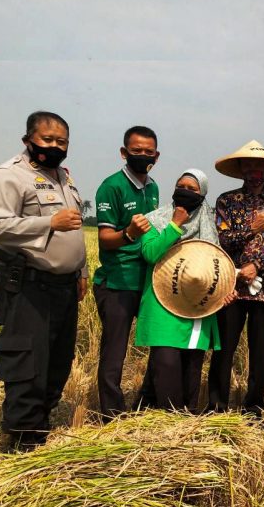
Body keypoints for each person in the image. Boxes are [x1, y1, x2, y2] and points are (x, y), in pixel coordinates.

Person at [0, 111, 87, 450]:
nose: (55, 146)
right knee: (27, 366)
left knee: (57, 365)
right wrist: (47, 224)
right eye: (48, 140)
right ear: (28, 139)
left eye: (62, 142)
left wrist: (81, 271)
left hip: (64, 287)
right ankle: (20, 444)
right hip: (30, 286)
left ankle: (39, 429)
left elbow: (74, 231)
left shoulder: (64, 177)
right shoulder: (10, 176)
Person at [135, 169, 235, 412]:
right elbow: (150, 254)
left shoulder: (209, 223)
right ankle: (170, 421)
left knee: (191, 368)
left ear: (203, 195)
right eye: (181, 186)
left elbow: (215, 265)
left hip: (198, 306)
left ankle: (179, 420)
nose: (185, 192)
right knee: (166, 364)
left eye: (192, 189)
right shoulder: (155, 220)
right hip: (162, 304)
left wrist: (225, 291)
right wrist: (174, 225)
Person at [208, 140, 264, 415]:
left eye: (259, 164)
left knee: (260, 352)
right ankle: (216, 405)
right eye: (249, 164)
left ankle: (254, 406)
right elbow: (220, 240)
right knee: (224, 349)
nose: (254, 169)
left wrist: (257, 265)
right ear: (241, 169)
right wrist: (251, 228)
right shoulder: (226, 201)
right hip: (230, 288)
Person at [93, 125, 160, 420]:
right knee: (114, 351)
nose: (143, 156)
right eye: (136, 151)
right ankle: (111, 414)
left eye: (148, 152)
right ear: (124, 153)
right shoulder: (112, 187)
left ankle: (146, 402)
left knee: (156, 343)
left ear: (156, 155)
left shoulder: (154, 187)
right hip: (117, 282)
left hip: (147, 281)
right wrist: (130, 233)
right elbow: (105, 239)